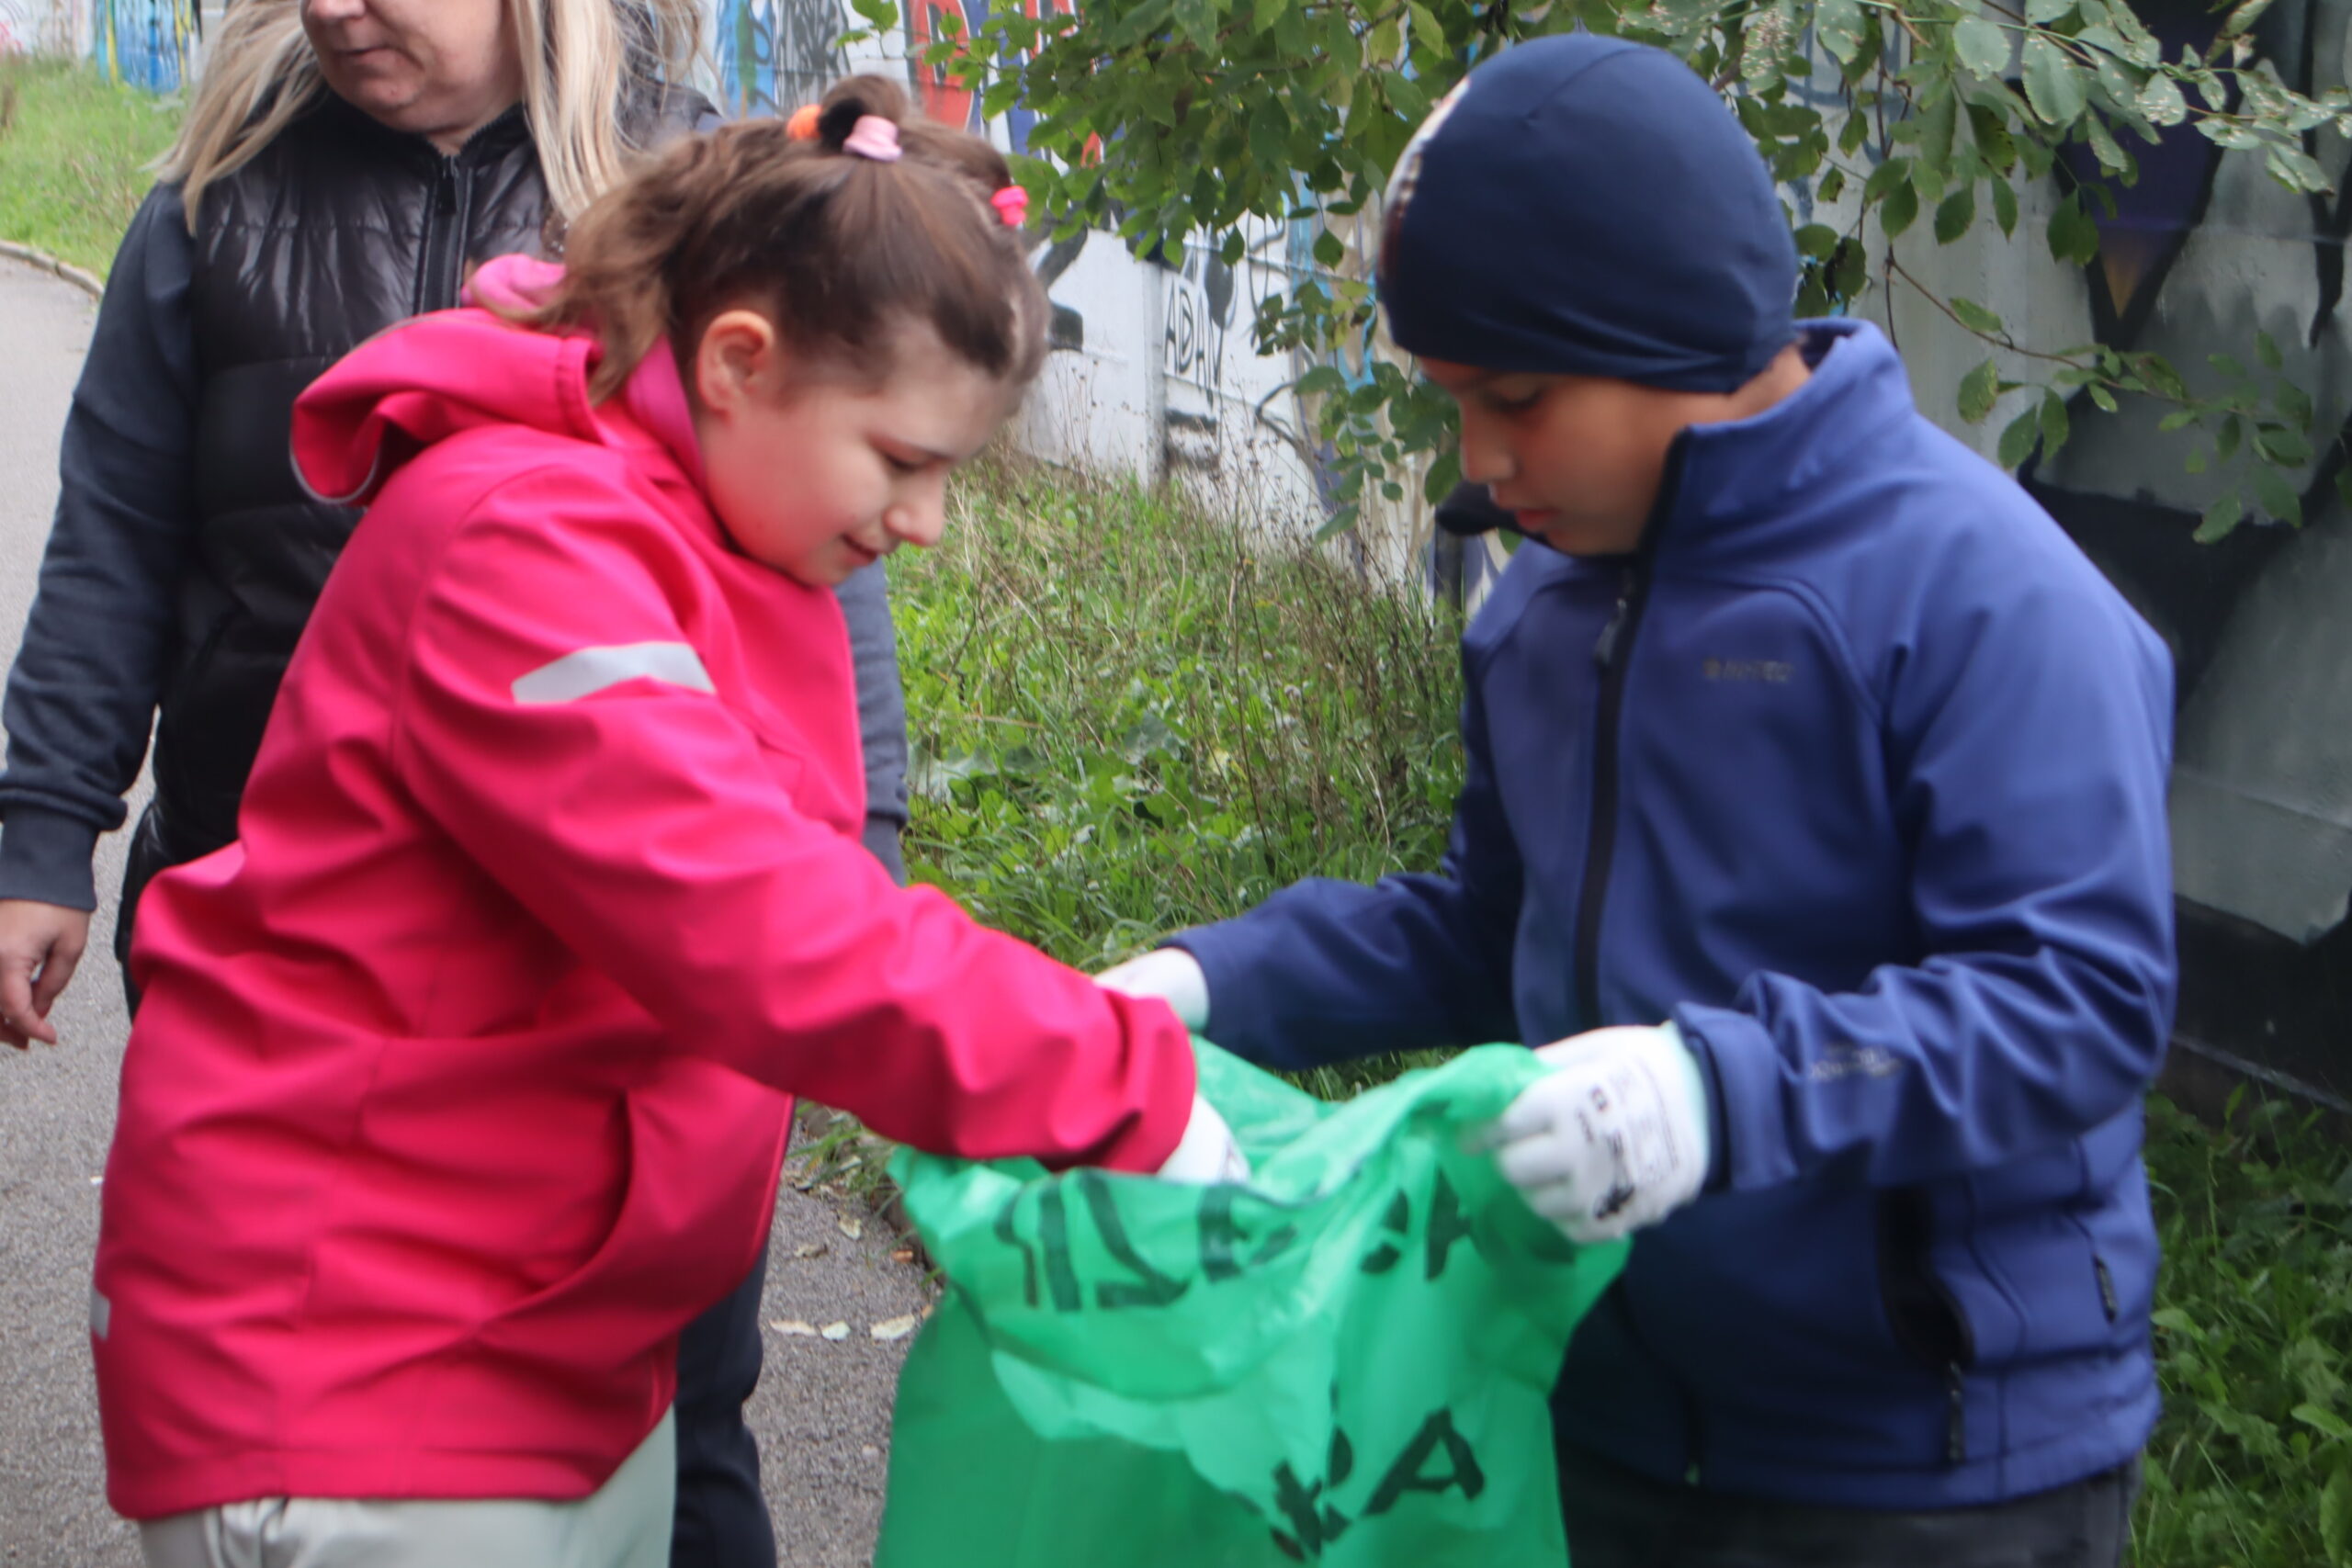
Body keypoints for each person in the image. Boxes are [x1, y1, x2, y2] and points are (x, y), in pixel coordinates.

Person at [93, 80, 1244, 1568]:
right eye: (902, 460)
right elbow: (761, 916)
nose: (926, 524)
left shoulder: (695, 524)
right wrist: (1115, 1083)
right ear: (738, 363)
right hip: (360, 1382)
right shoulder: (528, 541)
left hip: (537, 1360)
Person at [1099, 35, 2174, 1568]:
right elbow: (1486, 928)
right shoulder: (1540, 607)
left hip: (1926, 1471)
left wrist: (1718, 1093)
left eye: (1519, 396)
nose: (1479, 459)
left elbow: (2079, 1001)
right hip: (1589, 1420)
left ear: (1680, 338)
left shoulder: (1987, 599)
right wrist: (1210, 985)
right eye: (1452, 397)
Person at [0, 3, 910, 1558]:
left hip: (624, 983)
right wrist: (43, 828)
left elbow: (822, 563)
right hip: (296, 949)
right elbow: (117, 533)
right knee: (342, 1413)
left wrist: (855, 862)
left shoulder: (686, 189)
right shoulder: (218, 197)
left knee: (676, 1416)